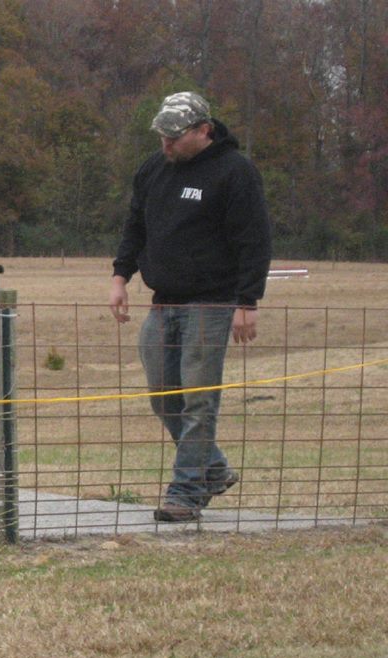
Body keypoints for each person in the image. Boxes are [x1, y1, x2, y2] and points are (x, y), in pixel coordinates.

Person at [109, 92, 272, 522]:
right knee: (164, 397)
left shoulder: (235, 172)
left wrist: (247, 301)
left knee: (199, 400)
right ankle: (212, 467)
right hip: (164, 303)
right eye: (161, 136)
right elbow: (135, 225)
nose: (165, 145)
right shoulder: (153, 170)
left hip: (213, 303)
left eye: (174, 137)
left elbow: (254, 239)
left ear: (204, 130)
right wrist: (120, 277)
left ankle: (185, 492)